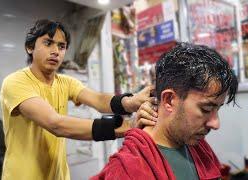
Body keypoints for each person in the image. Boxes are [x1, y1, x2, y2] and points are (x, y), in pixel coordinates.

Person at [0, 19, 157, 180]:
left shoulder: (65, 82)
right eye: (48, 43)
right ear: (30, 47)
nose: (56, 51)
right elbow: (55, 124)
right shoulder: (15, 82)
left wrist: (132, 102)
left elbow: (99, 100)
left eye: (61, 46)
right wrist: (128, 126)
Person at [92, 42, 238, 180]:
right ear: (169, 100)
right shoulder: (126, 170)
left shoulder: (199, 149)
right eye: (206, 109)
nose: (216, 124)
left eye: (217, 109)